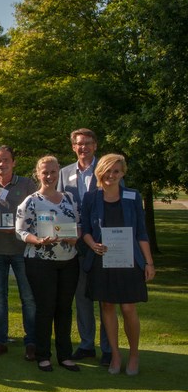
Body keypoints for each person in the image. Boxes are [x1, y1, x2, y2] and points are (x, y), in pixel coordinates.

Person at [81, 154, 155, 376]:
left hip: (130, 261)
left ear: (123, 173)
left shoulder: (133, 196)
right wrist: (93, 245)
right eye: (107, 171)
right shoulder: (91, 198)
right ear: (99, 172)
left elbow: (141, 232)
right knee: (107, 307)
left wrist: (149, 262)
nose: (111, 175)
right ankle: (115, 354)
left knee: (128, 308)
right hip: (102, 261)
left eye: (116, 171)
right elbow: (85, 229)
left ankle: (134, 355)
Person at [16, 156, 81, 372]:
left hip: (69, 261)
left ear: (58, 172)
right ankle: (43, 355)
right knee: (45, 308)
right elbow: (21, 231)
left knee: (64, 309)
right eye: (45, 172)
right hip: (40, 261)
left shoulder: (69, 198)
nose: (49, 176)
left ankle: (65, 356)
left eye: (53, 172)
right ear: (38, 173)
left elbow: (78, 226)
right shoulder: (31, 201)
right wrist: (38, 240)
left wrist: (76, 237)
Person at [57, 128, 111, 365]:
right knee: (82, 297)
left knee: (106, 298)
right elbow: (58, 206)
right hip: (74, 244)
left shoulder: (106, 170)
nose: (83, 147)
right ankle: (87, 345)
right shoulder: (64, 173)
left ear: (95, 145)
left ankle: (108, 348)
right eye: (79, 144)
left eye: (88, 143)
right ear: (73, 147)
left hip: (102, 243)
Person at [0, 145, 38, 360]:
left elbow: (35, 215)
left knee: (28, 298)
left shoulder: (26, 184)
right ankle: (0, 341)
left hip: (22, 250)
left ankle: (31, 342)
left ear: (13, 162)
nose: (1, 164)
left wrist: (15, 228)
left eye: (5, 160)